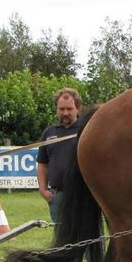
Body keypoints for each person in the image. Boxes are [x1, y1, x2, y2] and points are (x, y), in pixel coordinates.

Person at [36, 88, 82, 222]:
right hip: (58, 195)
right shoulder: (49, 133)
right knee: (61, 233)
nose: (65, 113)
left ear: (78, 109)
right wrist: (43, 190)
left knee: (88, 233)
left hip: (83, 195)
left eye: (69, 109)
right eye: (61, 109)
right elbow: (42, 165)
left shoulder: (86, 130)